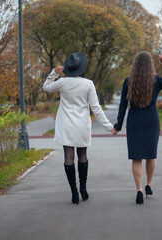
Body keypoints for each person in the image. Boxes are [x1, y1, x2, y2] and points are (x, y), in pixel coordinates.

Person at [43, 52, 115, 205]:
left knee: (68, 157)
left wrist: (54, 73)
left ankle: (74, 192)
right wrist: (110, 128)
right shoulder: (88, 84)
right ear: (82, 68)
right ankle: (83, 189)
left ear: (68, 68)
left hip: (66, 124)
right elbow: (96, 108)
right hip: (82, 124)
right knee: (82, 155)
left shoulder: (62, 82)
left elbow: (46, 87)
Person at [112, 51, 162, 205]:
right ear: (151, 65)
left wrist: (118, 126)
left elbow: (123, 105)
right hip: (151, 121)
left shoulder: (128, 81)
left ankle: (139, 190)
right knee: (151, 155)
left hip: (134, 122)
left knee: (136, 157)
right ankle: (149, 184)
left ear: (135, 65)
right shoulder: (156, 80)